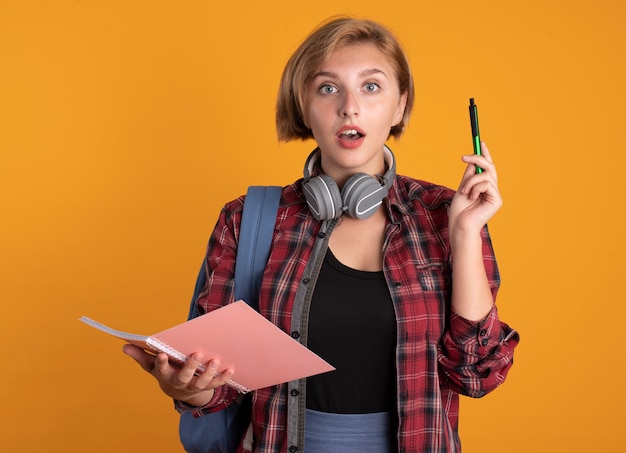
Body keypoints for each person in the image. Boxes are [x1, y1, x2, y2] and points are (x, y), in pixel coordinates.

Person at [123, 16, 519, 453]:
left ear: (400, 106)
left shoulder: (446, 214)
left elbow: (476, 374)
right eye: (328, 88)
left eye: (371, 87)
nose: (349, 106)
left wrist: (464, 235)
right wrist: (187, 387)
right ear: (303, 107)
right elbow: (219, 388)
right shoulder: (248, 219)